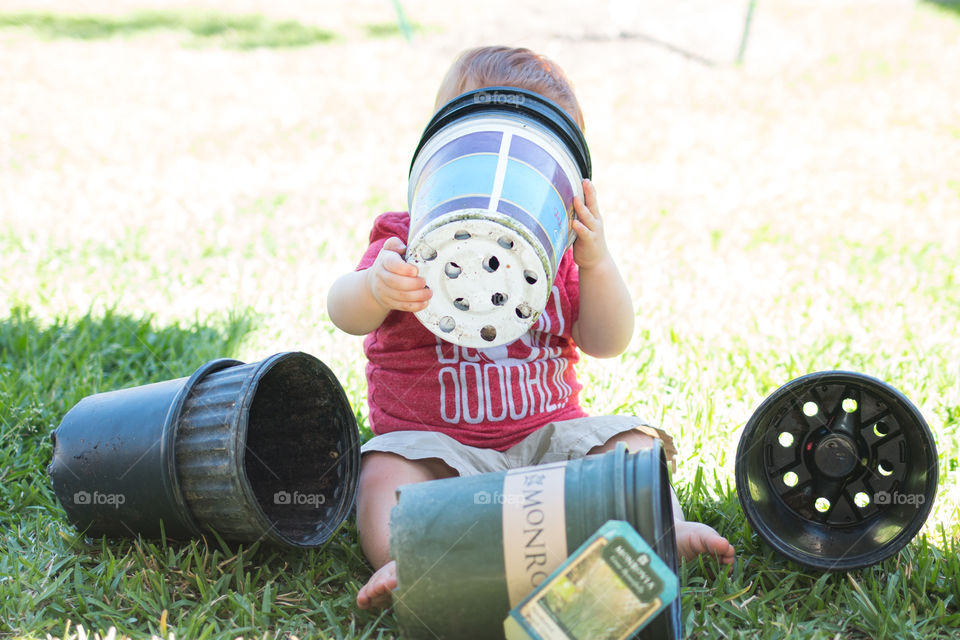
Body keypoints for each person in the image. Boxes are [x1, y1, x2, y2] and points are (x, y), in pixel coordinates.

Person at [327, 45, 735, 611]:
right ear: (441, 156)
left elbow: (607, 341)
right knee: (383, 471)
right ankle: (405, 557)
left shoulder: (561, 255)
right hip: (438, 453)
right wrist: (375, 288)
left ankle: (662, 526)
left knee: (629, 444)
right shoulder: (405, 240)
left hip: (549, 445)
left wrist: (597, 264)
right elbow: (343, 313)